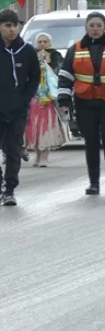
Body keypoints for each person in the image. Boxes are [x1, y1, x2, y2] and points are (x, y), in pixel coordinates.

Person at [0, 9, 39, 206]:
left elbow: (34, 77)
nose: (12, 30)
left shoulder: (27, 50)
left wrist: (24, 99)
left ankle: (10, 188)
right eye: (7, 26)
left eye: (15, 25)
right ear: (0, 27)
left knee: (13, 150)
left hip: (17, 110)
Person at [57, 12, 105, 195]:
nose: (95, 29)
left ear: (104, 27)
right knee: (91, 143)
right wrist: (63, 99)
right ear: (86, 27)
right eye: (91, 25)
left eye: (98, 25)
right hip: (85, 102)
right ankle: (94, 183)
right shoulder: (75, 49)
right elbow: (65, 76)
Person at [25, 32, 68, 167]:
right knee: (34, 129)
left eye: (45, 41)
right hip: (34, 99)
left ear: (50, 43)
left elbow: (60, 75)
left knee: (47, 129)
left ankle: (44, 156)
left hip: (50, 100)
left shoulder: (56, 57)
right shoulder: (30, 57)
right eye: (40, 42)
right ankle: (37, 155)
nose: (42, 44)